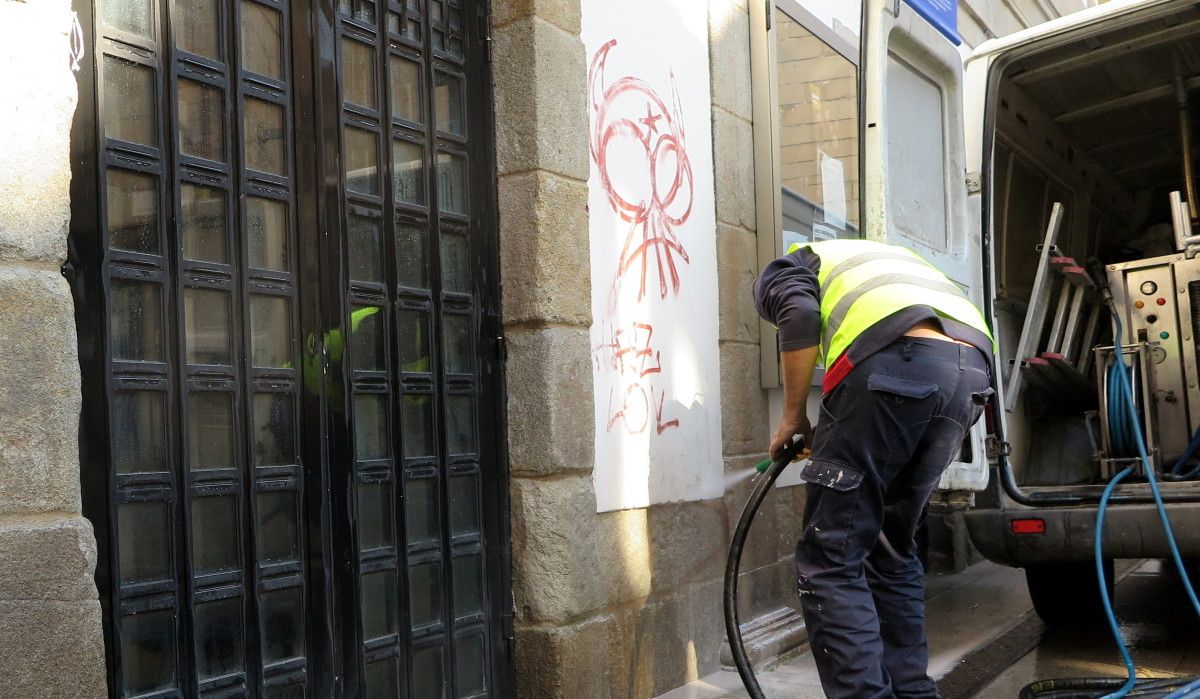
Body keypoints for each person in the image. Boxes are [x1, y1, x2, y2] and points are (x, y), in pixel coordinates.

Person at [753, 238, 994, 699]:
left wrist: (793, 417)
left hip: (895, 360)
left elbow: (800, 316)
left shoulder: (786, 268)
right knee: (891, 550)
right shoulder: (884, 260)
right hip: (969, 372)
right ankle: (914, 693)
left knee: (832, 559)